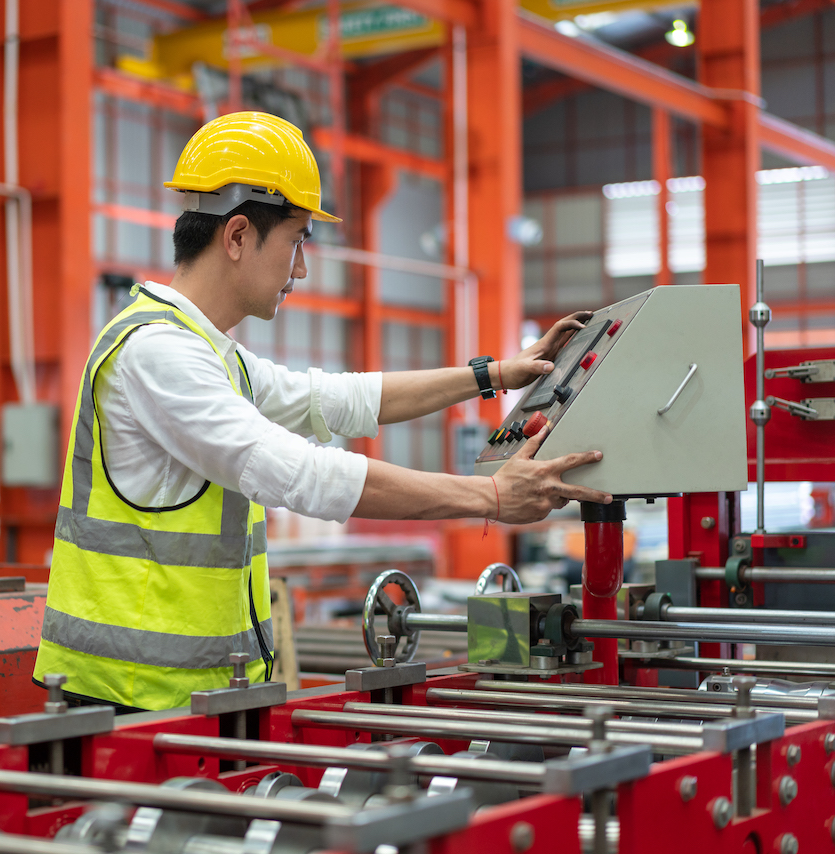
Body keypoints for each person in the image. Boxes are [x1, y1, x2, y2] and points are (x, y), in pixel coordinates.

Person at [33, 112, 612, 712]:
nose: (301, 270)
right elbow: (300, 474)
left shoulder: (213, 355)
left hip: (179, 698)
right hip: (124, 698)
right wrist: (490, 497)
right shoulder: (158, 354)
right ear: (236, 237)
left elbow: (337, 399)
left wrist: (493, 375)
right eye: (296, 241)